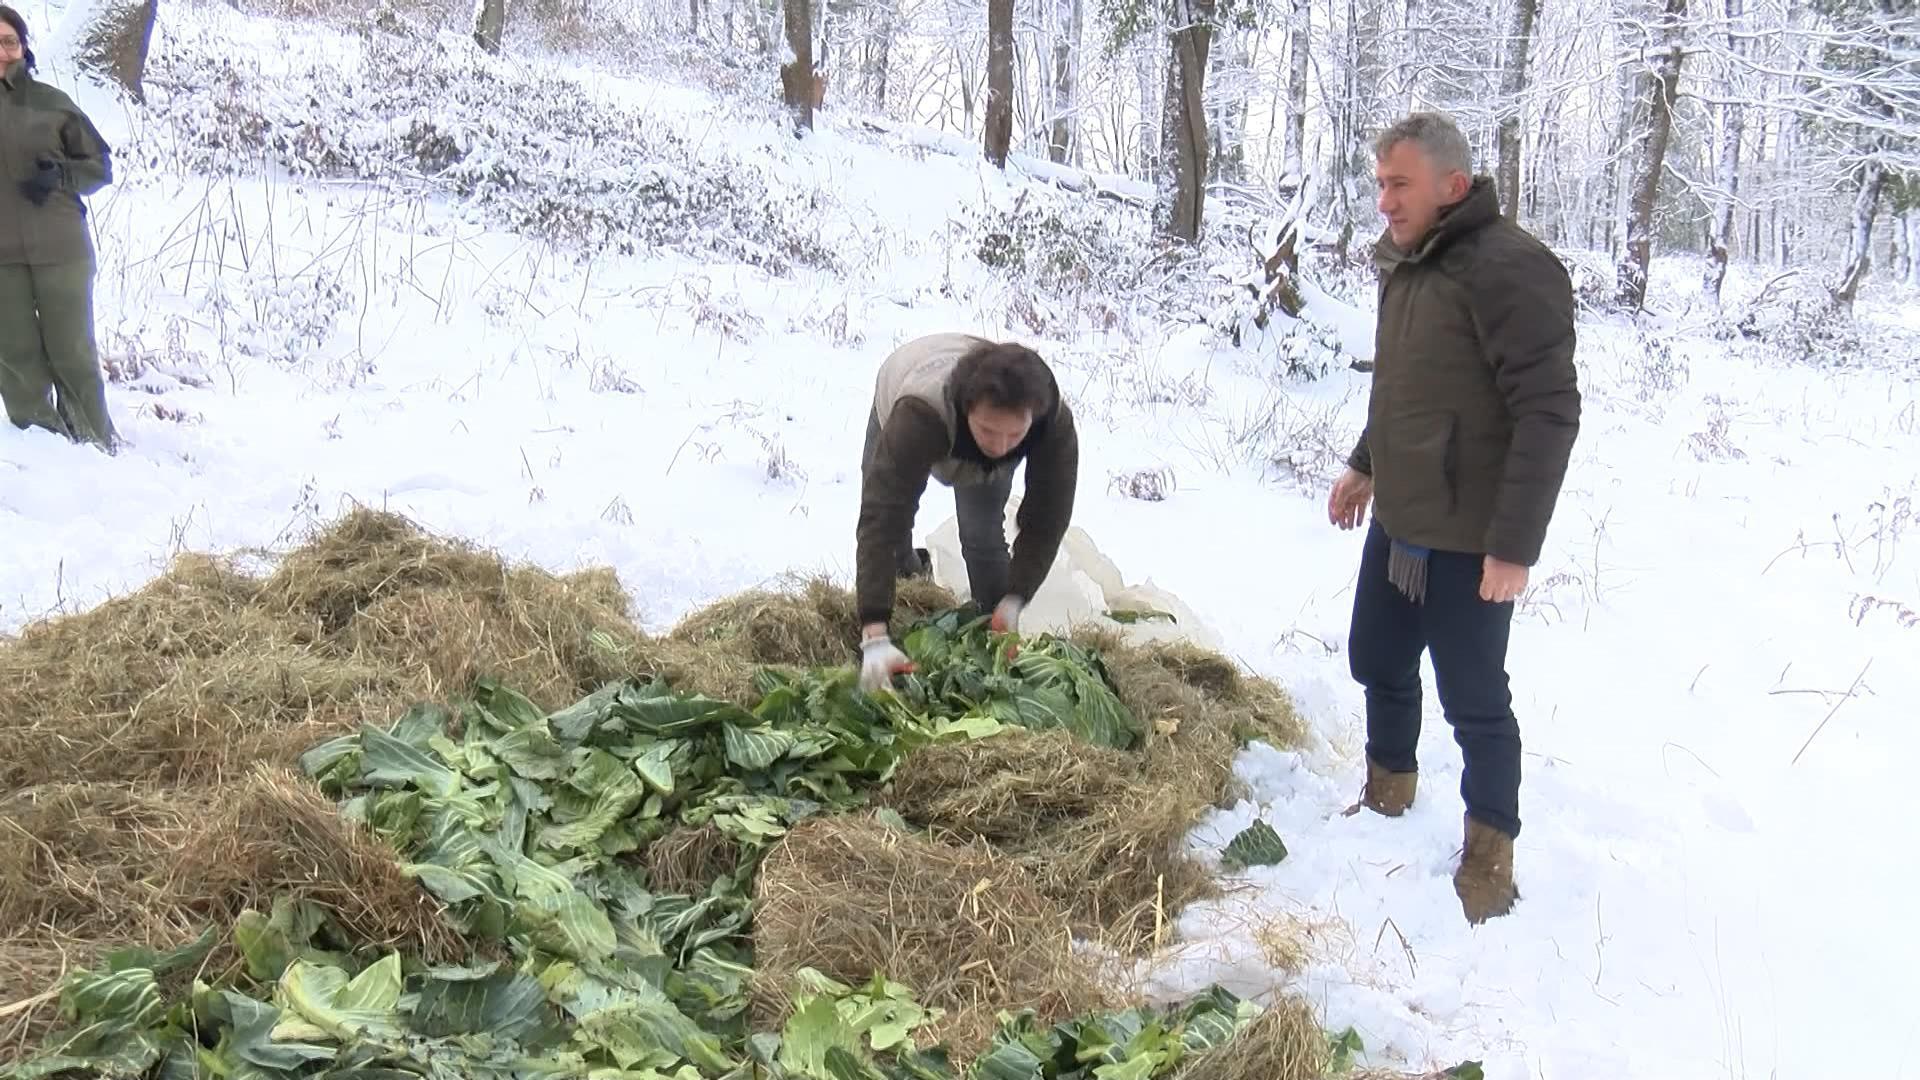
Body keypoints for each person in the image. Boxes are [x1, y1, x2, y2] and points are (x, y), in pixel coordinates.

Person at [1327, 112, 1580, 924]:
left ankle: (1489, 856)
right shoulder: (1405, 262)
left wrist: (1512, 546)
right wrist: (1366, 462)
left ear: (1453, 185)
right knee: (1376, 657)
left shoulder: (1510, 269)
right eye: (1380, 185)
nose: (1384, 203)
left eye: (1399, 185)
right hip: (1402, 516)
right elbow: (1405, 384)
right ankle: (1389, 790)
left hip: (1471, 538)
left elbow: (1548, 411)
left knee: (1474, 699)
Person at [854, 333, 1079, 691]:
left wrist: (1015, 598)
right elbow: (881, 519)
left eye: (1014, 434)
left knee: (982, 534)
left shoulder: (1050, 421)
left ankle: (992, 627)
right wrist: (874, 630)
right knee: (893, 534)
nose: (1001, 446)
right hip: (904, 383)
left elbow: (1047, 518)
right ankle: (909, 580)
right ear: (968, 408)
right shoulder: (918, 416)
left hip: (969, 419)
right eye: (989, 430)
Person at [0, 4, 119, 451]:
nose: (2, 51)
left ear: (24, 47)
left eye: (9, 41)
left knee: (72, 354)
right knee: (14, 357)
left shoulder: (53, 104)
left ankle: (95, 443)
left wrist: (61, 176)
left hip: (61, 249)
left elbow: (100, 167)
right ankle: (43, 450)